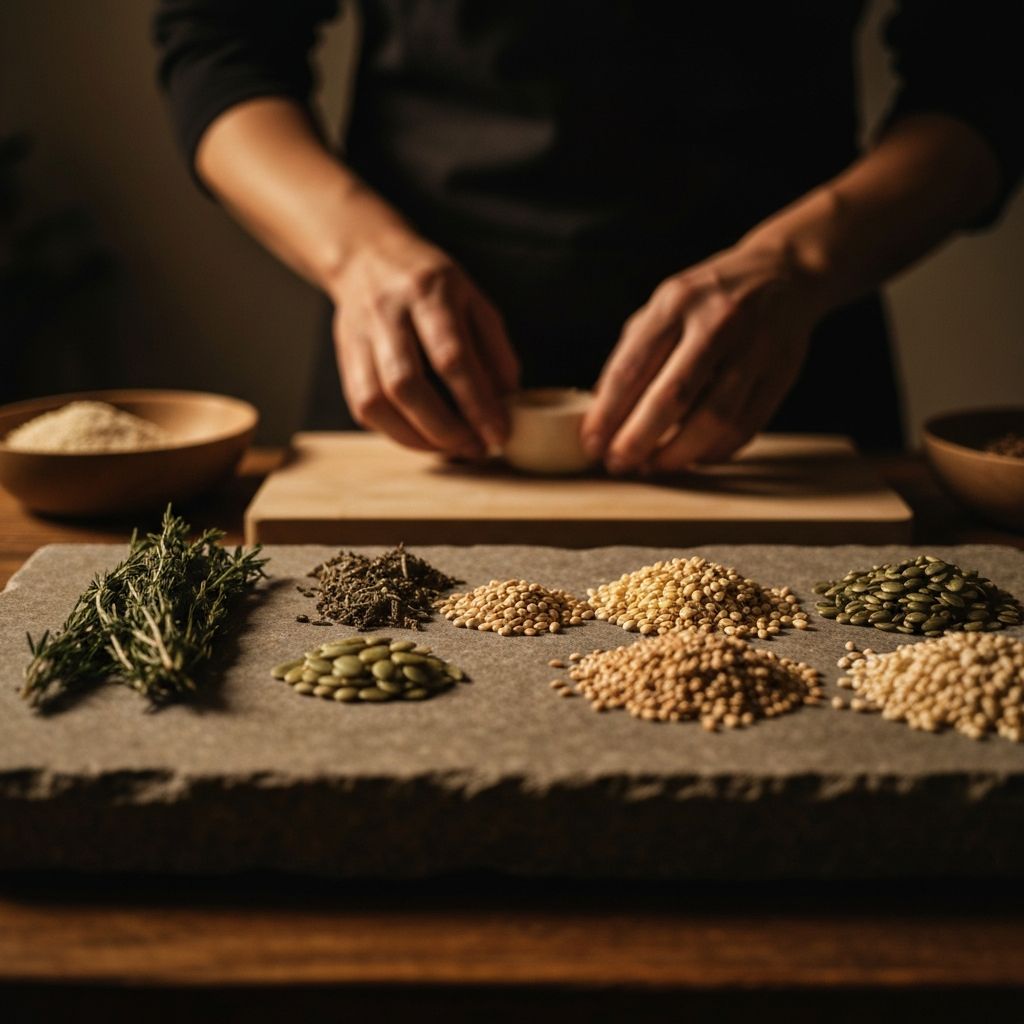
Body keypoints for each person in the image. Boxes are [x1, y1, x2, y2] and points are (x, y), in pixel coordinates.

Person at [154, 1, 1019, 474]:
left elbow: (988, 69)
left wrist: (799, 263)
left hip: (782, 372)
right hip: (415, 371)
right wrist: (360, 256)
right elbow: (219, 41)